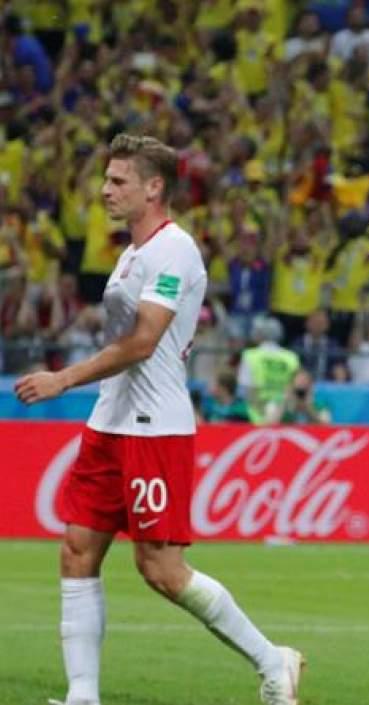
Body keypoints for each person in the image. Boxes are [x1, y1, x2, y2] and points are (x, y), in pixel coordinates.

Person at [12, 134, 302, 705]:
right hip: (111, 422)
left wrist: (63, 378)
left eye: (118, 181)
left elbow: (144, 341)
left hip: (154, 425)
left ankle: (274, 661)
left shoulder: (175, 251)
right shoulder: (132, 253)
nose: (104, 190)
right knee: (76, 548)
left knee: (162, 569)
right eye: (106, 179)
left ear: (154, 187)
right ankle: (82, 696)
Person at [237, 315, 301, 424]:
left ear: (259, 335)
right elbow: (297, 389)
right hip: (284, 414)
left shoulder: (250, 355)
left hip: (253, 416)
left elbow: (244, 389)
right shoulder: (292, 357)